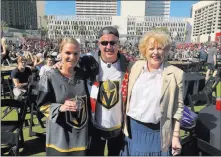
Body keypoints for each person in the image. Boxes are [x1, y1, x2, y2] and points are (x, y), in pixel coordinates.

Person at [121, 30, 184, 156]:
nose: (155, 52)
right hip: (133, 131)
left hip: (158, 133)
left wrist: (175, 136)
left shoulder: (175, 74)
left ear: (165, 51)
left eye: (160, 48)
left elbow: (178, 108)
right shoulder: (135, 67)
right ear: (145, 50)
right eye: (151, 48)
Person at [37, 37, 89, 156]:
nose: (72, 57)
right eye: (68, 53)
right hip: (60, 140)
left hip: (82, 139)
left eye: (76, 53)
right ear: (60, 53)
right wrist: (60, 107)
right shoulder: (49, 76)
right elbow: (41, 106)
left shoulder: (84, 75)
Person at [86, 26, 131, 156]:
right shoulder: (88, 63)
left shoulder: (128, 66)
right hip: (95, 126)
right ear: (98, 44)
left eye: (113, 42)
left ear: (118, 44)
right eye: (104, 43)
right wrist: (57, 65)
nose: (109, 46)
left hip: (118, 127)